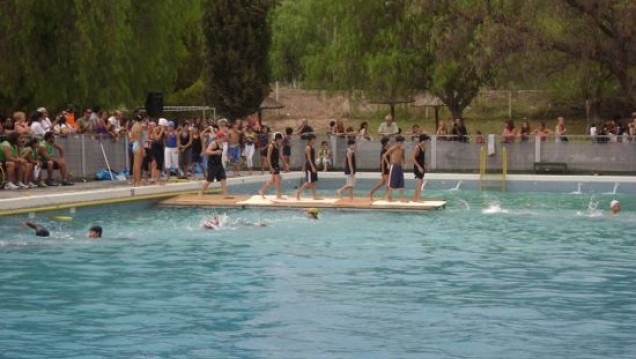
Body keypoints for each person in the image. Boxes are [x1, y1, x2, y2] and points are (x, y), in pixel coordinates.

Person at [199, 130, 232, 198]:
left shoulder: (221, 143)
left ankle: (225, 195)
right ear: (221, 137)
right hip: (212, 164)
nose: (225, 138)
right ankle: (200, 193)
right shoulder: (214, 143)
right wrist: (215, 152)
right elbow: (207, 151)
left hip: (219, 163)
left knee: (223, 178)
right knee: (209, 180)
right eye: (224, 137)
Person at [259, 132, 284, 199]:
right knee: (278, 179)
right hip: (272, 164)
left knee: (273, 180)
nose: (281, 140)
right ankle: (278, 195)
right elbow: (268, 157)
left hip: (276, 163)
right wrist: (270, 167)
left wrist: (285, 163)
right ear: (277, 139)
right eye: (280, 139)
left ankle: (261, 191)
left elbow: (279, 155)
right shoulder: (271, 146)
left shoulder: (277, 145)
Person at [295, 134, 319, 200]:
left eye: (315, 139)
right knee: (308, 182)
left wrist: (314, 165)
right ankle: (298, 193)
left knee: (313, 181)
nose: (314, 140)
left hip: (312, 164)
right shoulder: (308, 147)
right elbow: (308, 158)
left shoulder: (311, 147)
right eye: (313, 139)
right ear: (310, 140)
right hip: (309, 166)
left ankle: (314, 196)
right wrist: (312, 167)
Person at [385, 135, 406, 202]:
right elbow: (384, 155)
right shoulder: (393, 148)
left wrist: (404, 162)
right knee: (391, 183)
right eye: (401, 142)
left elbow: (402, 156)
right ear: (397, 142)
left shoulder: (402, 149)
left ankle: (401, 198)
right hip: (394, 167)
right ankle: (389, 197)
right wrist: (388, 163)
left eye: (402, 143)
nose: (402, 144)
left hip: (399, 166)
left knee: (401, 182)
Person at [412, 134, 429, 202]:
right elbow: (413, 157)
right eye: (425, 141)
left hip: (421, 166)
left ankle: (416, 198)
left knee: (420, 182)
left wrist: (425, 165)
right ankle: (416, 198)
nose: (426, 142)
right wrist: (419, 167)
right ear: (422, 140)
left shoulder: (423, 147)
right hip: (418, 167)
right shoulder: (417, 147)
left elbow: (421, 158)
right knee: (420, 181)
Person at [129, 113, 144, 186]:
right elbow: (139, 139)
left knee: (135, 164)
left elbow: (131, 136)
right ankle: (138, 182)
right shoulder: (140, 126)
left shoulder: (133, 126)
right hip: (138, 145)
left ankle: (135, 181)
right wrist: (142, 149)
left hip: (134, 145)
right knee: (138, 165)